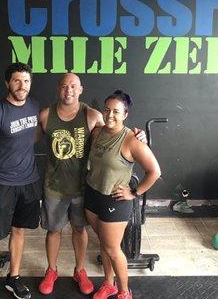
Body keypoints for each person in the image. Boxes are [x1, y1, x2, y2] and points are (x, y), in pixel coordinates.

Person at [37, 74, 147, 296]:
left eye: (73, 86)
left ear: (80, 90)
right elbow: (26, 140)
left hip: (82, 187)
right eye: (64, 86)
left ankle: (80, 271)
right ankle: (51, 270)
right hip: (54, 186)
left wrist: (137, 133)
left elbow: (116, 127)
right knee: (53, 231)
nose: (69, 90)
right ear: (58, 89)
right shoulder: (46, 115)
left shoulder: (92, 115)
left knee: (80, 229)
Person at [84, 90, 161, 299]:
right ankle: (108, 283)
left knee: (112, 248)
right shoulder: (97, 132)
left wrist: (135, 192)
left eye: (116, 112)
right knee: (104, 243)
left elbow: (155, 171)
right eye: (107, 110)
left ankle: (124, 292)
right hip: (92, 194)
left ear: (125, 114)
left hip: (114, 199)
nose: (110, 115)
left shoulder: (132, 140)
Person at [0, 62, 42, 299]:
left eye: (26, 81)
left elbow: (37, 134)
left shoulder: (34, 106)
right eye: (16, 80)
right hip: (1, 184)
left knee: (19, 231)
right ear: (7, 83)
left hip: (29, 181)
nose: (22, 86)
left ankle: (13, 278)